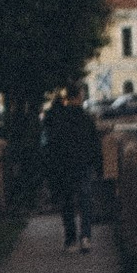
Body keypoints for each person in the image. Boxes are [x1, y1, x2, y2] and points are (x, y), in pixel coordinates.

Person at [42, 89, 103, 250]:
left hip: (65, 166)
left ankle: (70, 239)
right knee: (85, 201)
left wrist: (53, 167)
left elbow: (53, 145)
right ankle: (86, 237)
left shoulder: (59, 119)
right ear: (79, 98)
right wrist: (98, 166)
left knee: (67, 202)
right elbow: (95, 144)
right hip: (83, 165)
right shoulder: (86, 119)